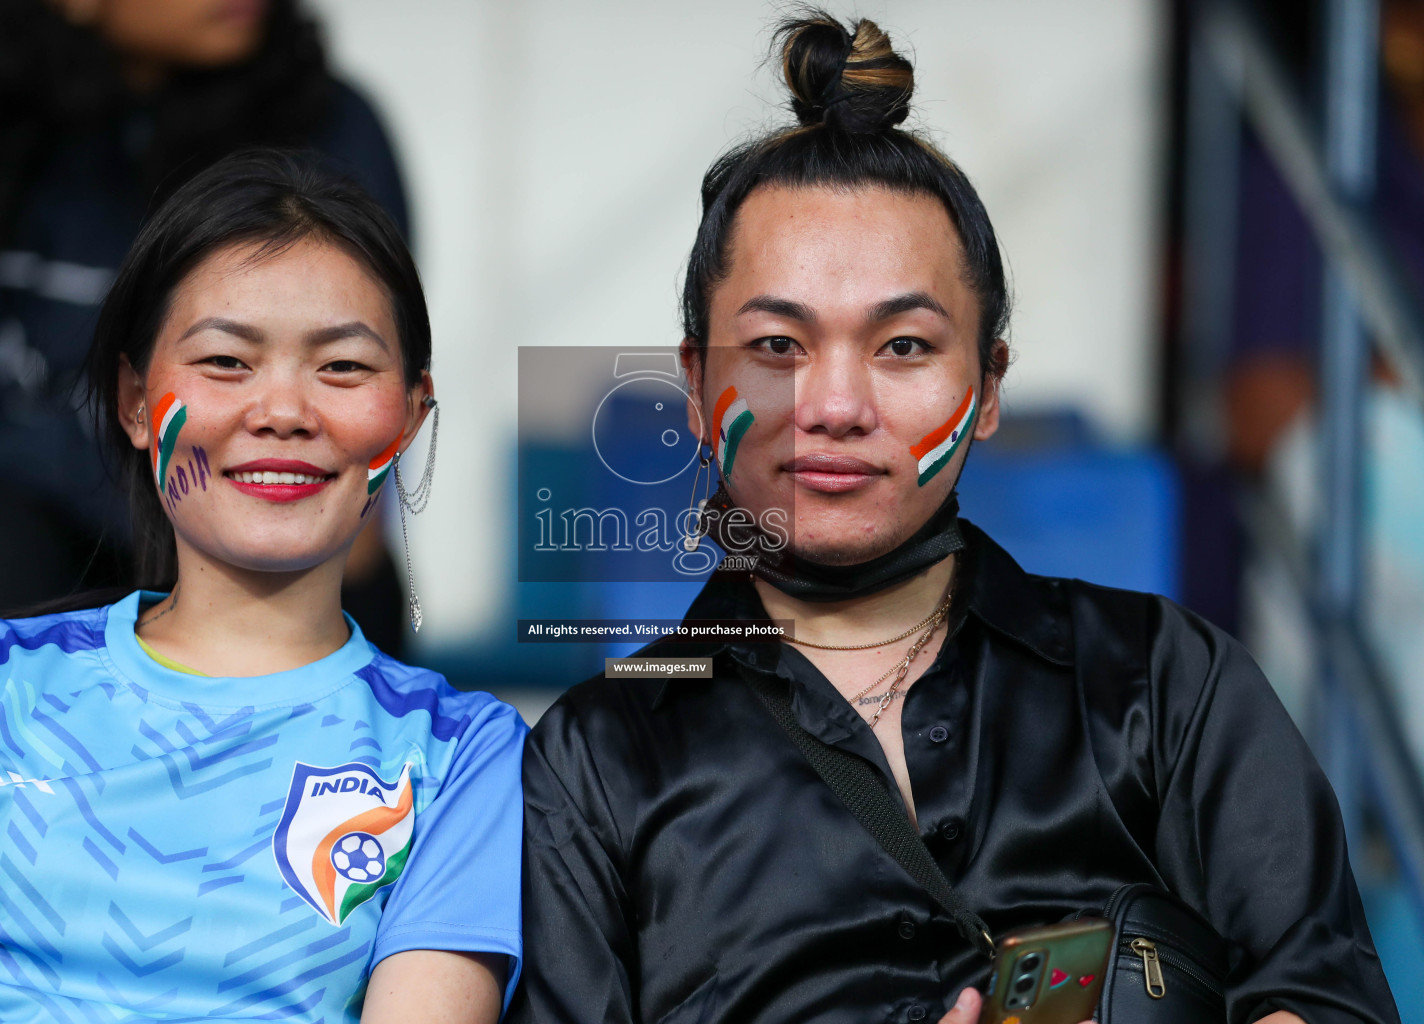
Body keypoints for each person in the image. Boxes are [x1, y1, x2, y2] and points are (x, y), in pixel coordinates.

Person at [507, 12, 1399, 1024]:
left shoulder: (1165, 684)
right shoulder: (595, 765)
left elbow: (1322, 995)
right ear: (695, 380)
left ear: (988, 387)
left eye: (902, 347)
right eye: (776, 346)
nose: (834, 406)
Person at [0, 151, 524, 1022]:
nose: (283, 410)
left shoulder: (460, 755)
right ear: (136, 401)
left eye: (342, 367)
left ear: (410, 415)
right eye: (227, 361)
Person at [0, 0, 410, 650]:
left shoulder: (329, 124)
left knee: (341, 574)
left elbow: (372, 358)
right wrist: (160, 498)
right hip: (15, 511)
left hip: (235, 491)